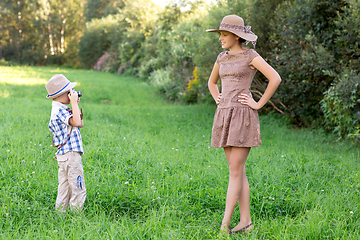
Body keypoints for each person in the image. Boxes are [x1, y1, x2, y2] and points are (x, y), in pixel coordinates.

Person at [207, 15, 281, 234]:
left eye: (224, 34)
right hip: (223, 116)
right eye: (220, 34)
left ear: (236, 36)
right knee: (237, 170)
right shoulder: (221, 57)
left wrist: (258, 104)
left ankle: (224, 226)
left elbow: (275, 78)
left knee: (235, 171)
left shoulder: (251, 56)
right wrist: (217, 97)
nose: (220, 38)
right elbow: (211, 82)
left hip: (242, 116)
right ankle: (246, 222)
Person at [45, 74, 86, 212]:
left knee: (65, 186)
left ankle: (61, 214)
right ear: (60, 95)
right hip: (71, 155)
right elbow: (77, 122)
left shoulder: (59, 109)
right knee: (77, 187)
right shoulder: (59, 111)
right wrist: (73, 103)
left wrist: (75, 105)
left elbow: (80, 123)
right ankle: (76, 216)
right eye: (69, 92)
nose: (71, 95)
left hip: (64, 156)